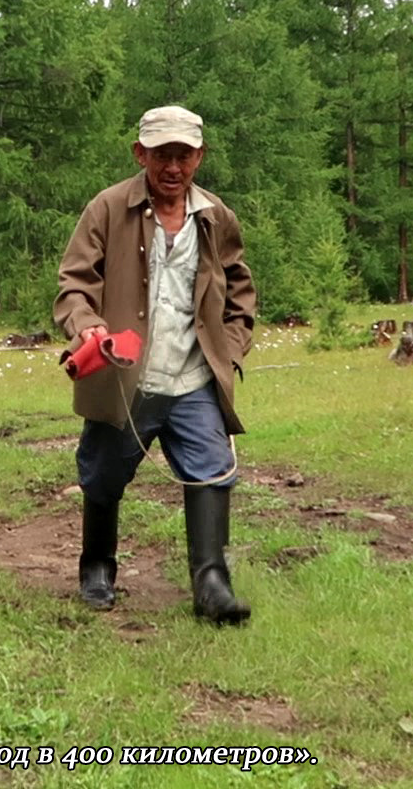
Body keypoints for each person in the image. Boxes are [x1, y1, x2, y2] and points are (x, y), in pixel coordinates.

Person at [54, 105, 257, 625]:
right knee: (102, 476)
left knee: (212, 474)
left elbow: (241, 292)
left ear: (200, 157)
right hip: (125, 379)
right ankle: (97, 566)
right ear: (139, 153)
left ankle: (211, 582)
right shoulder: (106, 208)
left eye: (183, 155)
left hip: (194, 379)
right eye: (162, 154)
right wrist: (87, 325)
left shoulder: (216, 217)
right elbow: (74, 284)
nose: (173, 166)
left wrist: (229, 351)